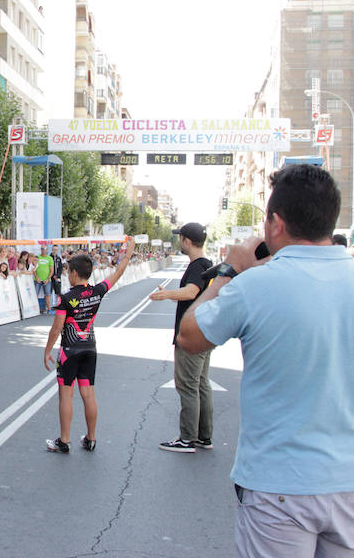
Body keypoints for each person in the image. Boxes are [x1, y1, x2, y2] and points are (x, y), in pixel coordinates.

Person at [177, 165, 354, 557]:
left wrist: (228, 271)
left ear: (275, 223)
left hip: (279, 486)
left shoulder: (256, 285)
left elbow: (189, 337)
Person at [42, 238, 136, 454]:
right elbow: (118, 272)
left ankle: (64, 441)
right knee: (89, 394)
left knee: (66, 394)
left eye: (68, 272)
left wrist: (47, 350)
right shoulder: (97, 291)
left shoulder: (66, 298)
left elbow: (56, 328)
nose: (67, 275)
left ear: (74, 273)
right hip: (89, 349)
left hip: (69, 350)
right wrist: (128, 252)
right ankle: (91, 438)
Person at [148, 222, 214, 453]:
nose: (179, 241)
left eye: (180, 238)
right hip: (205, 331)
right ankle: (204, 436)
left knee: (187, 386)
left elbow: (191, 291)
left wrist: (167, 294)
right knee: (201, 385)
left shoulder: (197, 266)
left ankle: (187, 438)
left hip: (191, 333)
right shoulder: (208, 264)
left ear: (187, 241)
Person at [35, 245, 55, 314]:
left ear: (47, 250)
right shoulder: (37, 257)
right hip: (37, 279)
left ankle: (49, 309)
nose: (43, 250)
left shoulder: (50, 258)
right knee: (35, 294)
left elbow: (52, 270)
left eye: (45, 249)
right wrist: (37, 277)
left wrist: (48, 278)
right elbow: (33, 268)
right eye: (42, 249)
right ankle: (35, 310)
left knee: (47, 294)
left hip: (47, 280)